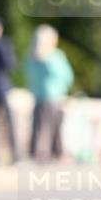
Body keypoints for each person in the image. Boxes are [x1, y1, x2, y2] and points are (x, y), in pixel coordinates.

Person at [25, 25, 74, 161]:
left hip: (38, 95)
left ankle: (37, 152)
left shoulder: (31, 56)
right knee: (54, 126)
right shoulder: (54, 56)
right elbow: (67, 76)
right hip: (54, 95)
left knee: (39, 125)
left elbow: (28, 76)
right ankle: (54, 153)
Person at [0, 15, 18, 165]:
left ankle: (15, 155)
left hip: (1, 89)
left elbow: (10, 65)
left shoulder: (3, 44)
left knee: (8, 122)